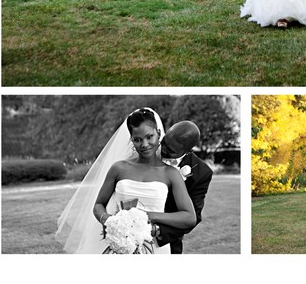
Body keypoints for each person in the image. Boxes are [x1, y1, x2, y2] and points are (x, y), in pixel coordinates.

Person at [56, 108, 196, 254]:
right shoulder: (119, 168)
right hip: (119, 243)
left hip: (154, 247)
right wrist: (110, 222)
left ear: (159, 134)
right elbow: (98, 205)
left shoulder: (171, 174)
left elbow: (189, 217)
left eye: (150, 137)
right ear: (131, 140)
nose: (144, 144)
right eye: (137, 139)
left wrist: (149, 216)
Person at [155, 120, 213, 254]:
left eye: (171, 150)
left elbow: (193, 217)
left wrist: (158, 231)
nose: (163, 149)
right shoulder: (147, 149)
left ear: (188, 150)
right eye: (164, 142)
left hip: (166, 243)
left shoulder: (201, 173)